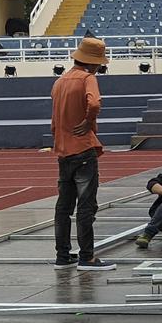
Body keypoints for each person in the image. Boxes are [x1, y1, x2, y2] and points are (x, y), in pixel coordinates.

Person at [51, 36, 114, 271]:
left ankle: (62, 255)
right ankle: (87, 257)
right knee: (86, 206)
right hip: (83, 149)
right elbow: (95, 103)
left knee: (63, 207)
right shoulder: (88, 79)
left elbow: (54, 119)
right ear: (94, 63)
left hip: (63, 150)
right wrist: (89, 121)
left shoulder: (60, 82)